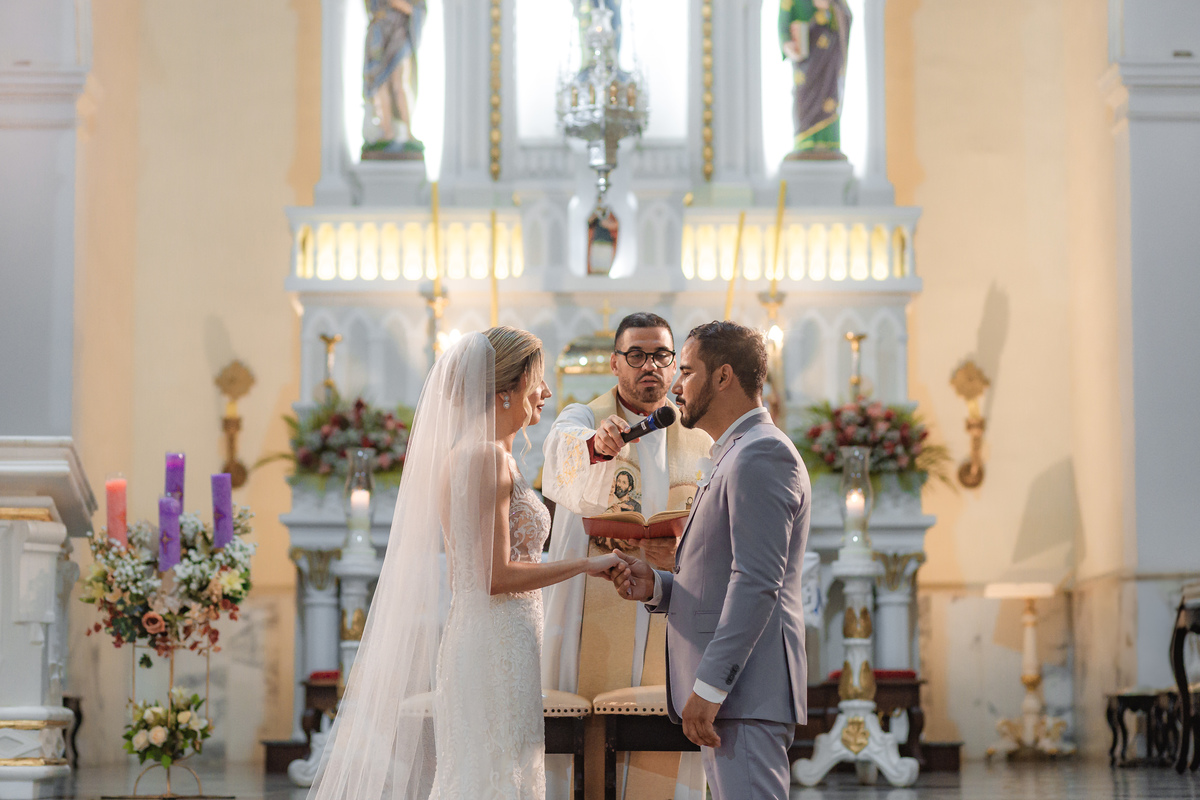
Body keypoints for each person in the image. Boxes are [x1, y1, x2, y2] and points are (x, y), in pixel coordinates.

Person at [307, 327, 621, 800]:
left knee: (498, 772)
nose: (547, 392)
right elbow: (495, 578)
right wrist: (582, 565)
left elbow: (465, 575)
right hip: (494, 640)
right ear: (504, 392)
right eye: (537, 379)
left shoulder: (488, 456)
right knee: (491, 777)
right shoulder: (484, 459)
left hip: (495, 636)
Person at [610, 320, 811, 800]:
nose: (676, 385)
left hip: (744, 690)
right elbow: (723, 577)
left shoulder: (761, 453)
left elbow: (758, 582)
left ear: (723, 377)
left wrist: (712, 686)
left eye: (687, 371)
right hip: (739, 694)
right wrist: (659, 586)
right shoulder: (734, 452)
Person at [541, 313, 712, 800]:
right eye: (636, 355)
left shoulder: (699, 437)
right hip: (595, 603)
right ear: (615, 364)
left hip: (668, 602)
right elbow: (560, 455)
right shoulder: (583, 417)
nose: (649, 366)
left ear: (675, 363)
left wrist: (678, 549)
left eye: (661, 355)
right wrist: (596, 448)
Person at [779, 0, 852, 159]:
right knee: (804, 98)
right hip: (805, 63)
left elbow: (846, 15)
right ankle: (804, 142)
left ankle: (829, 143)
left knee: (829, 96)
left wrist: (829, 7)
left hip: (829, 60)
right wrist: (788, 46)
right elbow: (783, 25)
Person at [363, 0, 426, 154]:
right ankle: (387, 132)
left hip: (398, 32)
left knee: (399, 83)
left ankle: (408, 132)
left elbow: (418, 9)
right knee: (380, 84)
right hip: (379, 34)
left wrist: (399, 4)